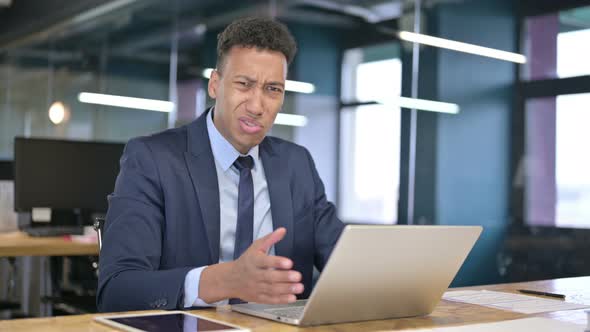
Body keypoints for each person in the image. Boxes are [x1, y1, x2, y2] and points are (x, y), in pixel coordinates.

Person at [97, 16, 344, 312]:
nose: (256, 106)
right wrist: (223, 280)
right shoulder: (152, 159)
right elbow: (117, 289)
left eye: (272, 89)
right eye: (244, 84)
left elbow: (346, 261)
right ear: (215, 85)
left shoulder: (296, 164)